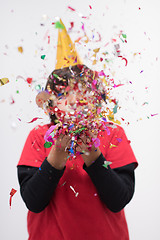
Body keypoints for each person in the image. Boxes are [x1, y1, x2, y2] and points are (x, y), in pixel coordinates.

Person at [17, 20, 138, 240]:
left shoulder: (113, 134)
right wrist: (56, 155)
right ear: (50, 105)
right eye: (64, 93)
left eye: (82, 92)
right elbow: (33, 202)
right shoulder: (38, 136)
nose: (74, 101)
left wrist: (93, 154)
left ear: (97, 100)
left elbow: (119, 200)